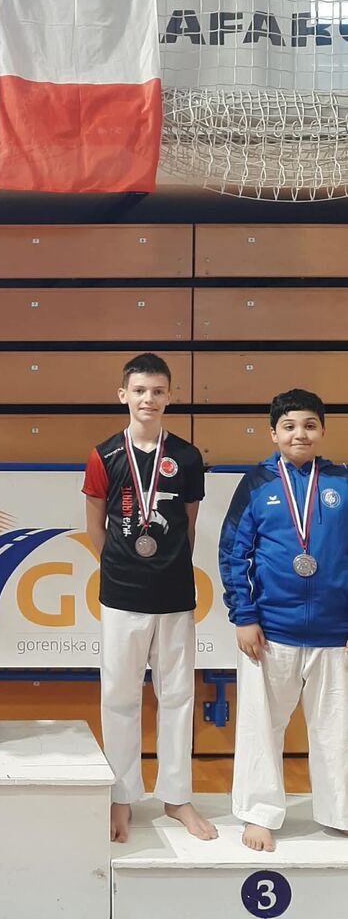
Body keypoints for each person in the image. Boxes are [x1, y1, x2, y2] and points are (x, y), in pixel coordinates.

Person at [83, 353, 218, 843]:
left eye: (158, 391)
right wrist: (125, 566)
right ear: (123, 395)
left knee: (178, 696)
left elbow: (188, 526)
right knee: (119, 696)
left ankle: (177, 797)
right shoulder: (104, 455)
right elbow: (95, 526)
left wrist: (166, 568)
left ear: (170, 396)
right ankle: (121, 797)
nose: (148, 399)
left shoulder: (187, 456)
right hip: (122, 594)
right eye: (140, 390)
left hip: (175, 594)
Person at [219, 388, 347, 852]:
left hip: (335, 631)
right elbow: (233, 553)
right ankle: (258, 814)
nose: (300, 434)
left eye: (310, 425)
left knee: (337, 729)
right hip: (271, 630)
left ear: (323, 431)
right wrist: (244, 615)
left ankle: (340, 812)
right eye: (289, 426)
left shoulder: (342, 482)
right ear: (273, 433)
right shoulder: (256, 484)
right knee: (261, 726)